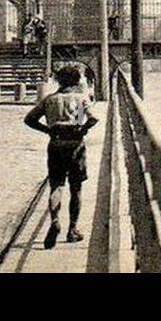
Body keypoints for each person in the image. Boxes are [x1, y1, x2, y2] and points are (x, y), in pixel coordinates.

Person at [24, 64, 97, 248]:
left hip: (56, 144)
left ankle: (55, 221)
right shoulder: (81, 99)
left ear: (59, 81)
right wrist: (82, 129)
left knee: (56, 185)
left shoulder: (50, 100)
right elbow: (91, 118)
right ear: (76, 81)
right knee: (76, 188)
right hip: (75, 145)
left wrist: (47, 130)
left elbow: (30, 119)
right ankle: (72, 229)